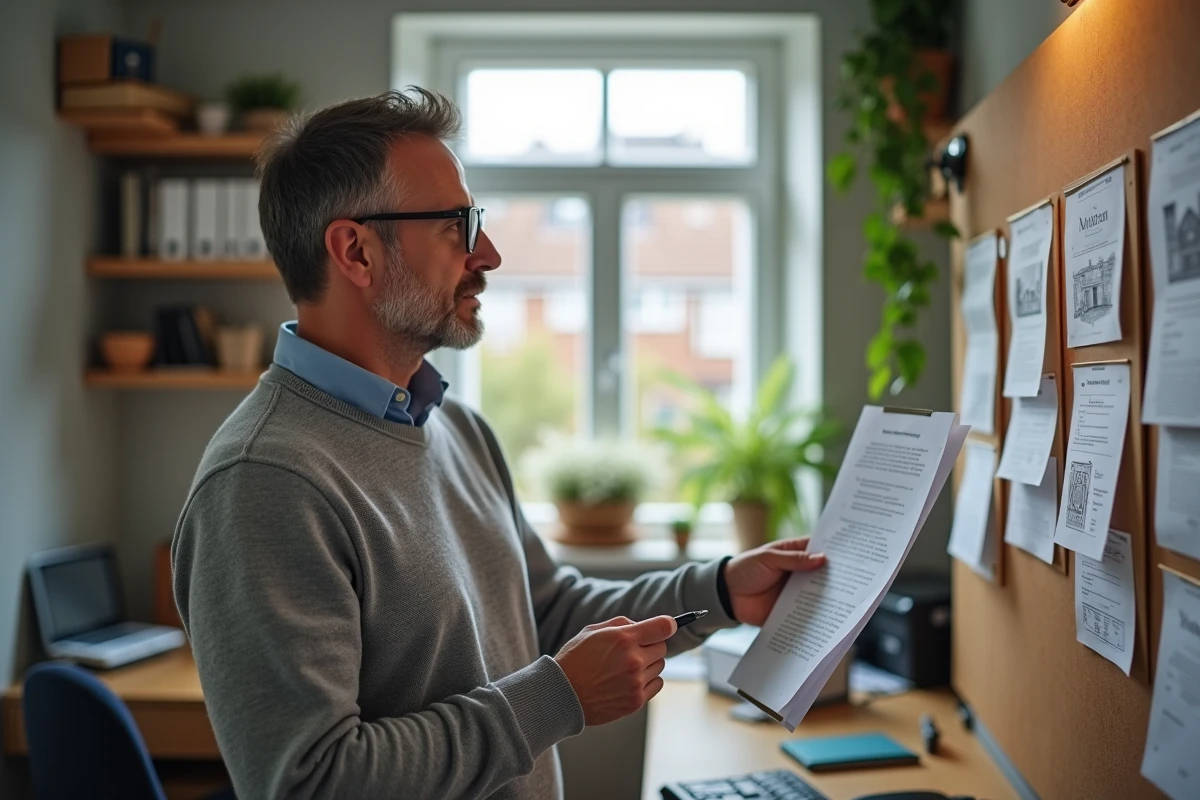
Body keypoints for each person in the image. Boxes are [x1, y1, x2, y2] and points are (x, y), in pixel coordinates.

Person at [171, 88, 826, 800]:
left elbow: (546, 615)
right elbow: (312, 781)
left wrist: (723, 592)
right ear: (355, 251)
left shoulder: (454, 428)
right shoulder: (265, 481)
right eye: (456, 226)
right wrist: (554, 699)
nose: (489, 253)